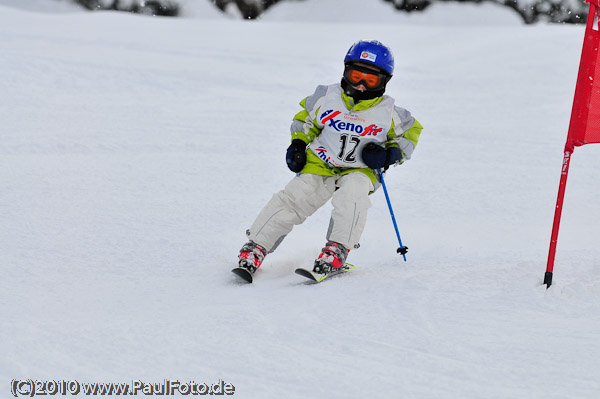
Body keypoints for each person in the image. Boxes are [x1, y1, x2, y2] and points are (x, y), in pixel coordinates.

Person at [237, 40, 423, 277]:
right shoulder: (326, 97)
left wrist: (390, 153)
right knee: (294, 198)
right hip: (321, 161)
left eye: (371, 79)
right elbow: (305, 121)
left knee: (352, 198)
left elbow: (409, 136)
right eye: (356, 75)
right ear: (345, 71)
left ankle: (336, 250)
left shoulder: (391, 113)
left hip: (360, 168)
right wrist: (298, 144)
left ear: (384, 81)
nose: (362, 85)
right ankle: (256, 246)